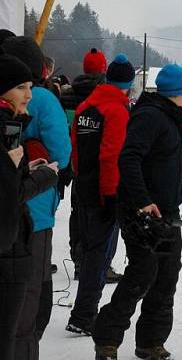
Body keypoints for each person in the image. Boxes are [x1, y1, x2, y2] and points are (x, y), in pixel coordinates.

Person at [92, 64, 182, 360]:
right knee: (143, 273)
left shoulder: (169, 117)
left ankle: (151, 342)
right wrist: (142, 201)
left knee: (166, 277)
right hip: (140, 212)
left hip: (165, 212)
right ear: (181, 92)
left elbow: (165, 164)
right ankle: (106, 339)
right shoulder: (151, 116)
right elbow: (128, 159)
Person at [3, 36, 72, 358]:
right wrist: (44, 170)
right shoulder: (43, 99)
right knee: (29, 300)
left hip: (19, 210)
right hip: (33, 211)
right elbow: (61, 153)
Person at [65, 54, 135, 338]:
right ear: (128, 84)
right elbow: (110, 156)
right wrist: (110, 196)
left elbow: (76, 146)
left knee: (92, 250)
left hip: (83, 185)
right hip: (103, 191)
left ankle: (83, 313)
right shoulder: (117, 110)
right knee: (100, 254)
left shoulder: (85, 106)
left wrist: (81, 177)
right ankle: (83, 316)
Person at [59, 47, 111, 282]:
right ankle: (94, 262)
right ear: (103, 69)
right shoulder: (102, 95)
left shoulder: (67, 94)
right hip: (91, 159)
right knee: (96, 213)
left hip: (66, 156)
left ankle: (78, 257)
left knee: (76, 209)